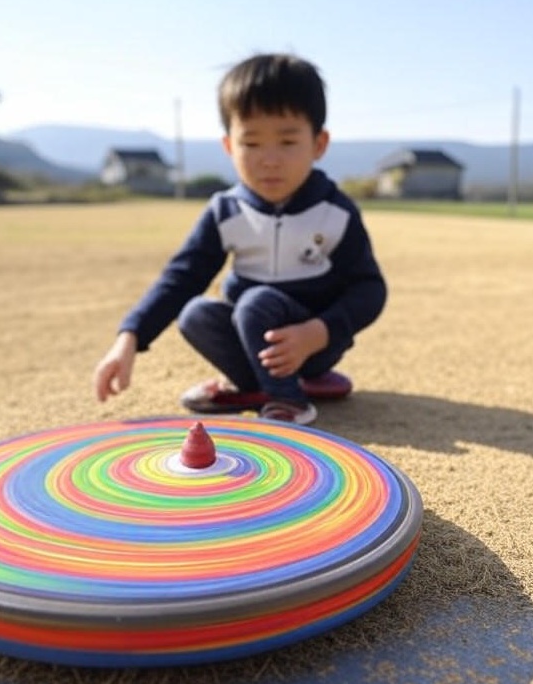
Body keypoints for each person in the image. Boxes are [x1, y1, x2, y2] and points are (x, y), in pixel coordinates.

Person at [92, 53, 386, 425]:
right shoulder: (225, 211)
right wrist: (130, 337)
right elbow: (182, 277)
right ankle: (254, 386)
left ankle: (290, 400)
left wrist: (319, 332)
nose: (269, 159)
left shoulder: (336, 213)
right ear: (229, 146)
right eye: (251, 143)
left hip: (312, 345)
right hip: (252, 344)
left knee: (256, 302)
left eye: (287, 141)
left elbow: (369, 289)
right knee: (195, 313)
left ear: (319, 144)